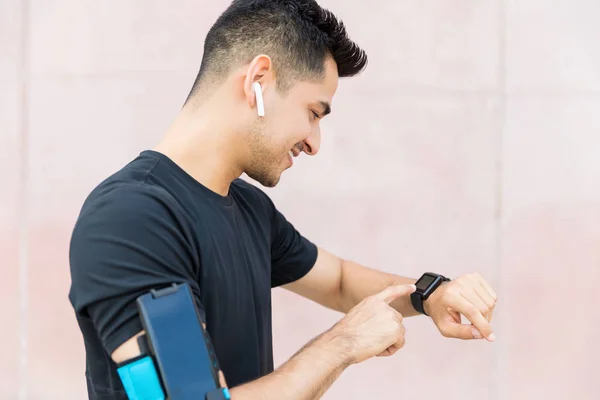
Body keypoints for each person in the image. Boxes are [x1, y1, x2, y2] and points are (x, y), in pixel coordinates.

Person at [68, 0, 498, 399]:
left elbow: (340, 280)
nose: (314, 143)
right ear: (259, 81)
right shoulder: (135, 218)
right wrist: (343, 343)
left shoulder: (252, 210)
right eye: (313, 113)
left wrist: (430, 295)